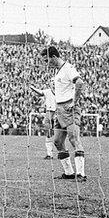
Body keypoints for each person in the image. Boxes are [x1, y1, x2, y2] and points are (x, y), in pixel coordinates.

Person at [40, 46, 86, 181]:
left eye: (46, 60)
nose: (46, 63)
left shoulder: (68, 68)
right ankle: (69, 173)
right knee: (58, 141)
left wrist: (74, 101)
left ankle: (81, 174)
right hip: (59, 108)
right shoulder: (58, 71)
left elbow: (79, 82)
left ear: (53, 57)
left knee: (74, 139)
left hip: (69, 108)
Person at [30, 85, 56, 159]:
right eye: (51, 83)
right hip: (49, 112)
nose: (53, 84)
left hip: (58, 113)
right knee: (48, 134)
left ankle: (62, 152)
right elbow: (40, 92)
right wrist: (33, 88)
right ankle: (49, 154)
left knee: (60, 135)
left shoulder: (60, 91)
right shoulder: (48, 91)